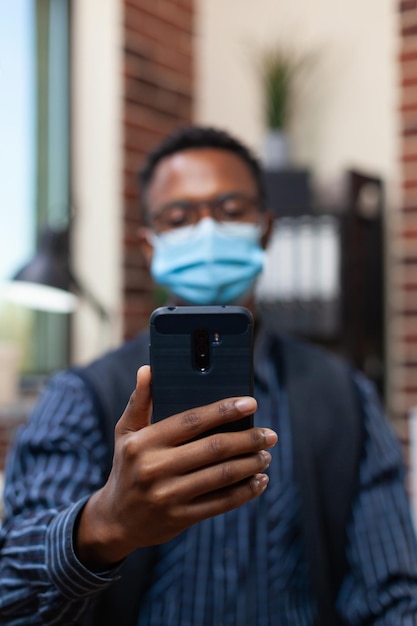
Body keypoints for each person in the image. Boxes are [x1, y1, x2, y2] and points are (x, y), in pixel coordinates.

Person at [1, 125, 417, 626]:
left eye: (229, 210)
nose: (207, 231)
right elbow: (14, 595)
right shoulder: (80, 396)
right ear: (150, 247)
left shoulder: (345, 395)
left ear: (265, 228)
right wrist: (103, 524)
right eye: (179, 217)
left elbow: (390, 591)